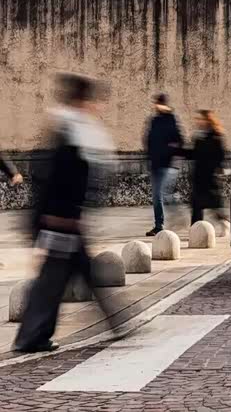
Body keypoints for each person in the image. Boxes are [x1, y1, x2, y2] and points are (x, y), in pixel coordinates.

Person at [14, 73, 120, 353]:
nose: (96, 106)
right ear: (81, 100)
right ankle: (31, 338)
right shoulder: (70, 133)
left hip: (67, 222)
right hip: (61, 223)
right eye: (91, 100)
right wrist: (47, 223)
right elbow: (54, 182)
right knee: (53, 282)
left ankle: (118, 324)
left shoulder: (72, 130)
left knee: (76, 276)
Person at [144, 93, 183, 236]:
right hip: (155, 163)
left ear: (164, 104)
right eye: (156, 103)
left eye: (158, 103)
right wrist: (150, 156)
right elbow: (148, 139)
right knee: (163, 195)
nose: (156, 106)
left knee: (158, 195)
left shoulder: (171, 119)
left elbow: (179, 140)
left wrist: (168, 153)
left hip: (167, 164)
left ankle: (159, 225)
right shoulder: (154, 120)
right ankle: (175, 214)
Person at [181, 110, 227, 224]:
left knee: (214, 207)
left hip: (210, 178)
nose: (198, 121)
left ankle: (225, 224)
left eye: (201, 119)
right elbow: (194, 154)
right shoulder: (198, 137)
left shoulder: (216, 137)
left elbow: (220, 156)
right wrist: (179, 151)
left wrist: (217, 171)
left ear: (208, 120)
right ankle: (195, 229)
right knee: (196, 207)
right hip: (198, 177)